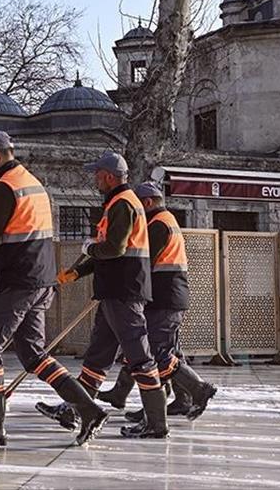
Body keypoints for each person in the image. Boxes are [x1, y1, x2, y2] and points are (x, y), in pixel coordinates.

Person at [46, 152, 169, 442]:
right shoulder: (116, 203)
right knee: (98, 356)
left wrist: (89, 249)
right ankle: (75, 409)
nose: (95, 179)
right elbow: (106, 252)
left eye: (97, 174)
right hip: (113, 290)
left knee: (139, 356)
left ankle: (157, 423)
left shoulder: (123, 203)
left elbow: (114, 248)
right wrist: (75, 273)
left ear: (110, 176)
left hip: (124, 291)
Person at [0, 130, 81, 447]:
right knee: (33, 353)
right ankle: (86, 408)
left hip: (18, 281)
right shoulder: (32, 183)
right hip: (40, 280)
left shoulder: (4, 188)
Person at [102, 183, 217, 426]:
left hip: (164, 298)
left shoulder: (156, 225)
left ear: (147, 203)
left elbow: (142, 261)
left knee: (155, 353)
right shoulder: (167, 220)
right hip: (170, 296)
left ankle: (198, 389)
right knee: (166, 350)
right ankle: (177, 400)